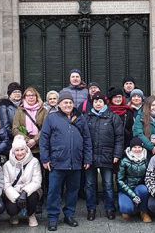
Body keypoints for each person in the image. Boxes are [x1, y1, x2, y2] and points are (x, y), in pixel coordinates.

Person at [40, 90, 93, 231]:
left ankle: (69, 214)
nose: (68, 104)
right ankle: (52, 217)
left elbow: (87, 139)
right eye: (65, 102)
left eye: (70, 102)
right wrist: (45, 158)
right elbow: (44, 139)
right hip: (57, 163)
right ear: (59, 105)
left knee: (73, 191)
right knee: (54, 191)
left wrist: (87, 158)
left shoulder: (80, 118)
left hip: (76, 162)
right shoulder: (52, 118)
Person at [85, 92, 124, 220]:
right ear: (92, 103)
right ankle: (91, 209)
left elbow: (119, 137)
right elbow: (83, 137)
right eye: (95, 101)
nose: (98, 103)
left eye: (100, 101)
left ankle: (110, 208)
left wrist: (117, 154)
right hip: (90, 156)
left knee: (108, 184)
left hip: (107, 156)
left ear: (104, 103)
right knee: (90, 184)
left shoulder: (113, 117)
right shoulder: (87, 117)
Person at [3, 136, 42, 227]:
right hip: (14, 191)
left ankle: (31, 214)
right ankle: (14, 215)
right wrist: (17, 197)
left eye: (22, 149)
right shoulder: (7, 165)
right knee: (11, 207)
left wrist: (24, 192)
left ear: (26, 149)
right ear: (13, 151)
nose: (20, 152)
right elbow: (6, 185)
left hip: (29, 191)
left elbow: (37, 181)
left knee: (33, 196)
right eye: (17, 150)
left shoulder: (34, 162)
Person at [117, 138, 151, 222]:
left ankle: (143, 212)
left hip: (139, 187)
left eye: (139, 147)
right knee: (126, 209)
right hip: (126, 189)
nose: (137, 149)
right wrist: (133, 195)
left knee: (144, 190)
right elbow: (120, 180)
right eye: (134, 147)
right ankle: (131, 208)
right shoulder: (124, 161)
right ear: (131, 148)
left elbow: (149, 176)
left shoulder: (146, 160)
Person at [12, 86, 47, 156]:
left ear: (37, 97)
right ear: (24, 97)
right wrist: (27, 140)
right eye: (28, 95)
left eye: (33, 95)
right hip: (24, 148)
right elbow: (15, 129)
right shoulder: (20, 110)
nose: (31, 97)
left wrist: (35, 140)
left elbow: (45, 128)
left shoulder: (43, 111)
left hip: (40, 147)